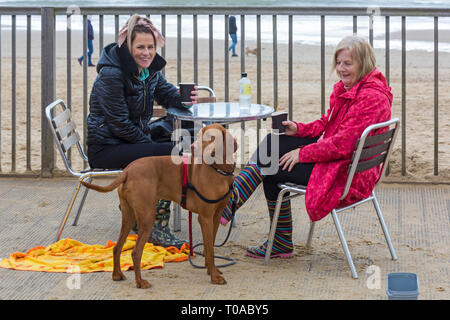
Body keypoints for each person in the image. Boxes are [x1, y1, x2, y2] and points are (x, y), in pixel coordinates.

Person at [220, 35, 393, 259]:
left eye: (348, 63)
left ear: (364, 63)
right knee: (275, 143)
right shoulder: (352, 88)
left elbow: (342, 144)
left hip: (346, 174)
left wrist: (302, 153)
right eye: (339, 63)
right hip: (343, 162)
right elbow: (327, 124)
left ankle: (233, 203)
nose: (341, 68)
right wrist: (298, 129)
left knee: (271, 168)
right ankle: (240, 207)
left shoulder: (370, 97)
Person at [86, 14, 198, 249]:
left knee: (185, 136)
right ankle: (154, 225)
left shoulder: (148, 71)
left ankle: (138, 205)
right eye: (140, 47)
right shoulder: (112, 74)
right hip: (107, 146)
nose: (146, 53)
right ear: (128, 47)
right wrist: (149, 143)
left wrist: (184, 100)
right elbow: (119, 125)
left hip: (128, 140)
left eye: (150, 47)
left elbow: (166, 94)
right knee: (171, 154)